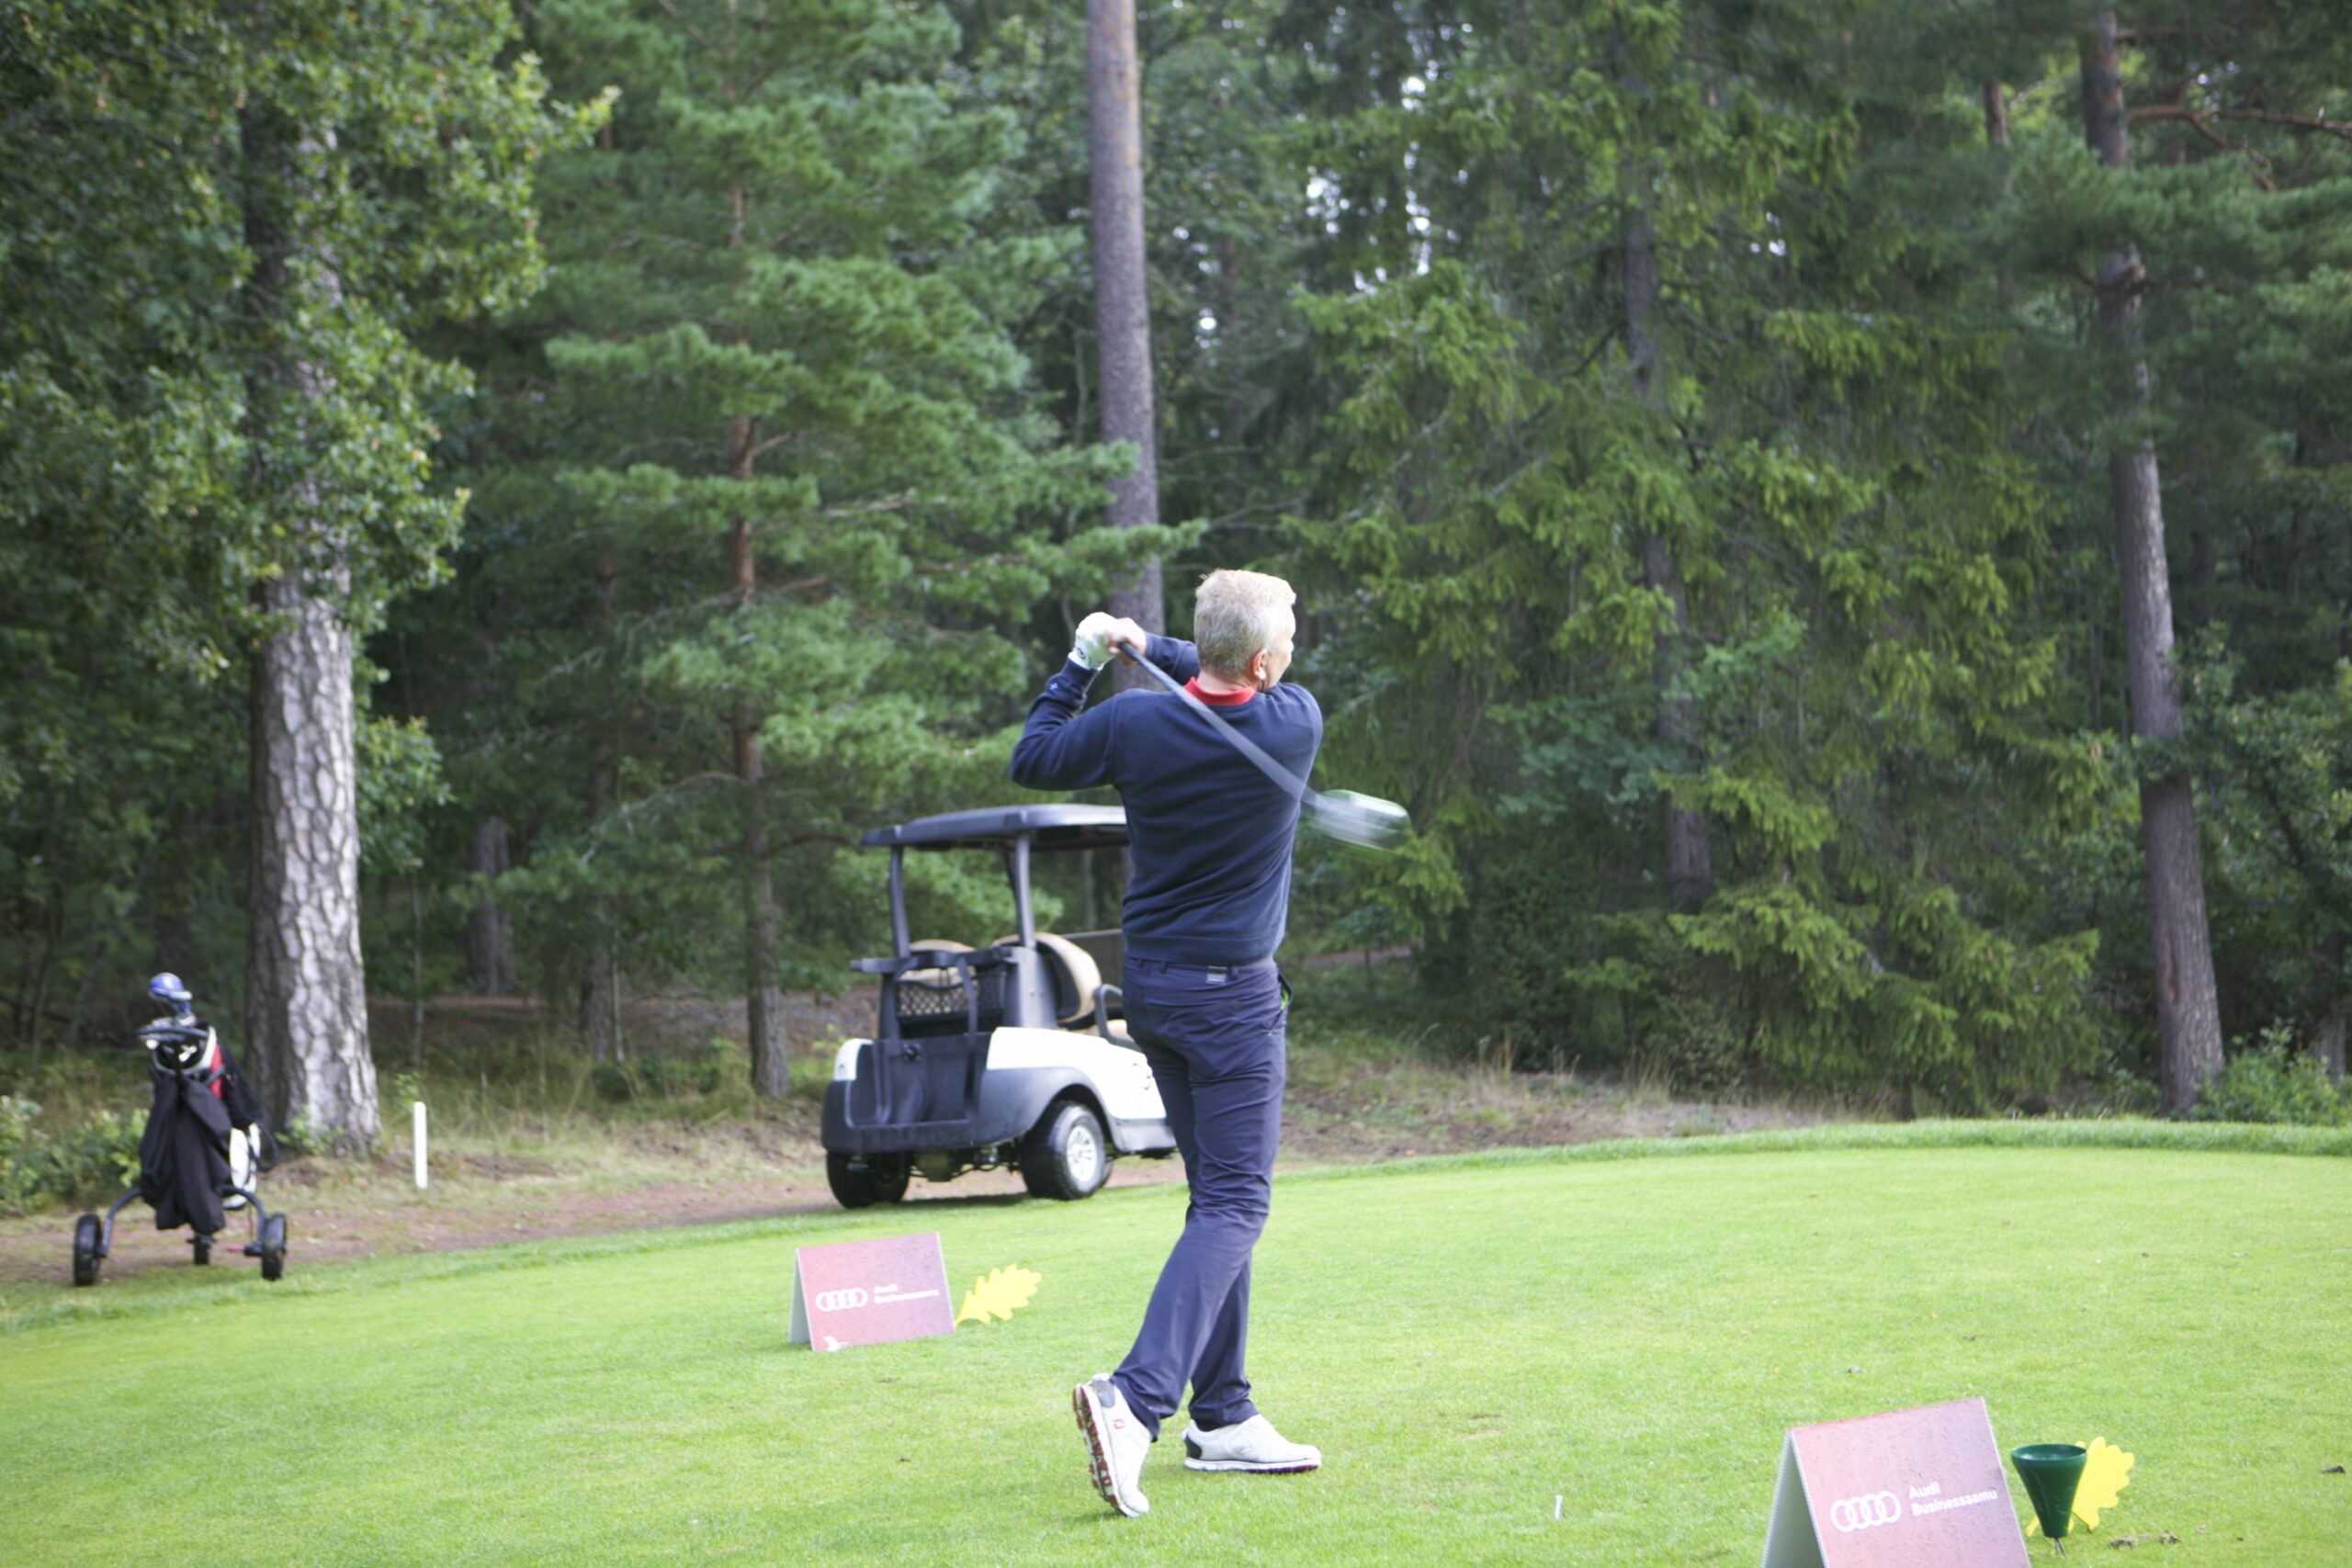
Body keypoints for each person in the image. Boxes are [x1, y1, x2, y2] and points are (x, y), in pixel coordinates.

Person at [1009, 569, 1325, 1517]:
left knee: (1213, 1198)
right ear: (1264, 663)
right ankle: (1136, 1399)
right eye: (1288, 635)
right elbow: (1226, 666)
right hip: (1232, 1004)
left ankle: (1222, 1414)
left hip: (1153, 991)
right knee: (1236, 1203)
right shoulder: (1293, 722)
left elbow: (1033, 755)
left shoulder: (1133, 724)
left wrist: (1088, 658)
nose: (1295, 647)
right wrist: (1157, 647)